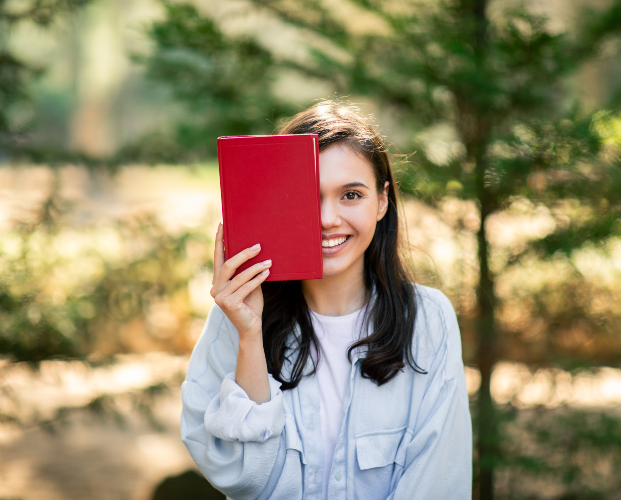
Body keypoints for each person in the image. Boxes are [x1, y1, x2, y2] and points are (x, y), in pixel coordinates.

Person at [180, 100, 472, 500]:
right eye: (307, 197)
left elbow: (439, 482)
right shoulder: (233, 320)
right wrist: (250, 336)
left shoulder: (429, 320)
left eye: (351, 194)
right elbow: (242, 479)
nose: (327, 218)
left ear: (383, 201)